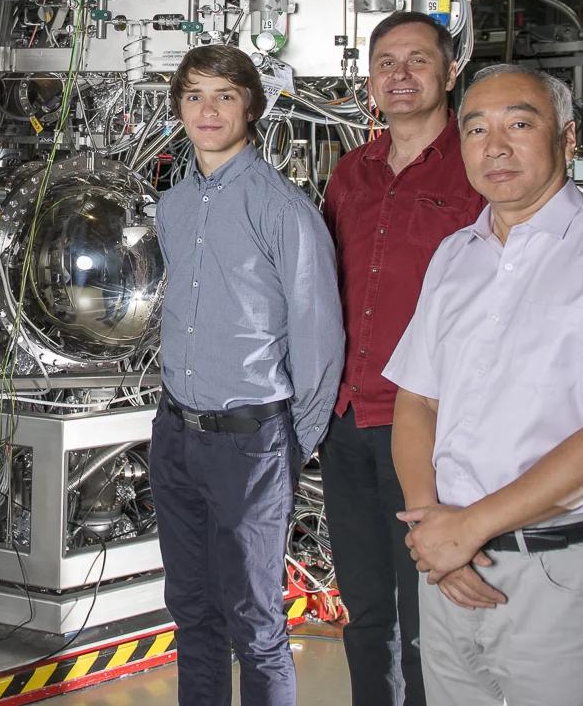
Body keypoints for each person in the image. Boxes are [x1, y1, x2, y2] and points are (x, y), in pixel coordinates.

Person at [384, 64, 583, 706]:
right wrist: (437, 531)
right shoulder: (455, 256)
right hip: (450, 571)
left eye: (520, 124)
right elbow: (417, 400)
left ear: (568, 140)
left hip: (558, 569)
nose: (496, 146)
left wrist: (466, 531)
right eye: (477, 129)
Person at [151, 44, 345, 706]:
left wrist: (291, 446)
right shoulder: (172, 208)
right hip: (176, 431)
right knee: (192, 612)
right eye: (195, 95)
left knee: (256, 622)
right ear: (178, 107)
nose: (208, 110)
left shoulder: (284, 210)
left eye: (225, 95)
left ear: (252, 107)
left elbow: (320, 342)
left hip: (251, 440)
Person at [320, 12, 484, 706]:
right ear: (370, 81)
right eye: (387, 62)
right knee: (365, 608)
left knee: (429, 613)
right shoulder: (349, 172)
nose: (400, 74)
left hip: (430, 424)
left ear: (450, 73)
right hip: (346, 417)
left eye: (418, 60)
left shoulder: (476, 166)